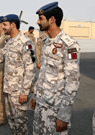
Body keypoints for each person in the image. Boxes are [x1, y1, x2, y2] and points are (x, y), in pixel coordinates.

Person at [0, 14, 36, 134]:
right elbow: (1, 56)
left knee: (21, 123)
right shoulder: (10, 41)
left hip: (19, 91)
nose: (2, 27)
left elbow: (30, 69)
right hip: (8, 88)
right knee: (12, 121)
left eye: (4, 25)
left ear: (13, 25)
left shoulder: (26, 42)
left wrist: (25, 92)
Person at [30, 2, 80, 134]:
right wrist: (35, 95)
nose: (37, 22)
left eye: (41, 19)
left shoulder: (69, 45)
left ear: (52, 20)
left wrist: (64, 115)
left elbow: (72, 83)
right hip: (41, 105)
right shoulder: (46, 42)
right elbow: (43, 73)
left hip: (55, 110)